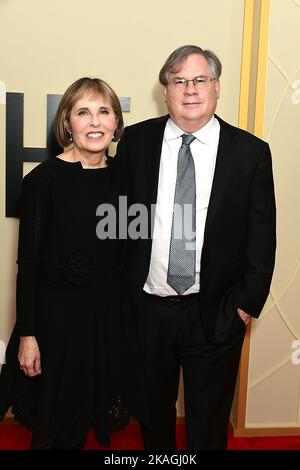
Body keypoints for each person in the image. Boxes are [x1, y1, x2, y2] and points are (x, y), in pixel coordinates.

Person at [109, 45, 276, 450]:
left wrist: (245, 304)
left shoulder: (250, 152)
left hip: (215, 310)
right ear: (164, 91)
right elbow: (118, 220)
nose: (189, 90)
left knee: (208, 425)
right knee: (153, 418)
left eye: (199, 80)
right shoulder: (136, 142)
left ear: (216, 88)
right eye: (178, 81)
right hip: (149, 310)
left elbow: (262, 235)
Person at [0, 77, 136, 449]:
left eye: (104, 111)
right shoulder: (43, 181)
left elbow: (128, 251)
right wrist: (28, 336)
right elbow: (27, 265)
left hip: (105, 322)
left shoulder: (125, 179)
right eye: (83, 112)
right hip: (57, 325)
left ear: (116, 123)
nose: (95, 122)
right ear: (67, 124)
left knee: (95, 422)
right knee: (57, 431)